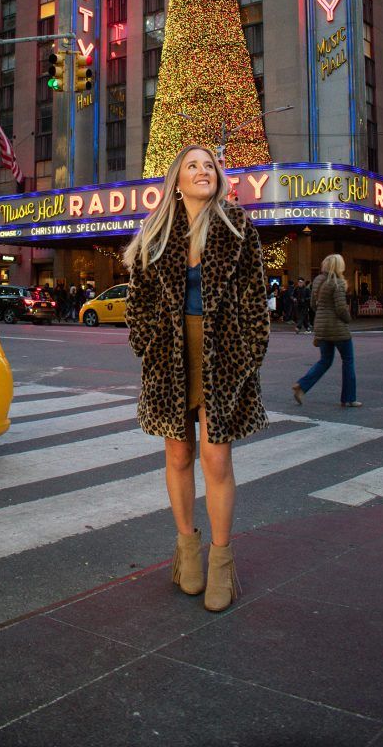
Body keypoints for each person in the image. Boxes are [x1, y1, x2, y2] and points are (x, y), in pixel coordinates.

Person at [124, 144, 269, 613]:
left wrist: (247, 353)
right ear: (177, 180)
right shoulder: (157, 231)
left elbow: (254, 297)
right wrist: (146, 343)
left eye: (209, 166)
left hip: (223, 353)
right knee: (179, 451)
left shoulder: (237, 226)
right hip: (170, 355)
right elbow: (139, 301)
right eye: (193, 165)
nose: (202, 171)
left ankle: (221, 562)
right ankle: (187, 551)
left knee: (216, 458)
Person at [292, 254, 362, 409]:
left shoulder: (317, 281)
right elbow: (340, 308)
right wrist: (348, 318)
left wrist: (323, 312)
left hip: (321, 326)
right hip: (337, 328)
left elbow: (313, 304)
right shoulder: (337, 283)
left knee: (325, 361)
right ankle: (349, 398)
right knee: (348, 361)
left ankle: (302, 386)